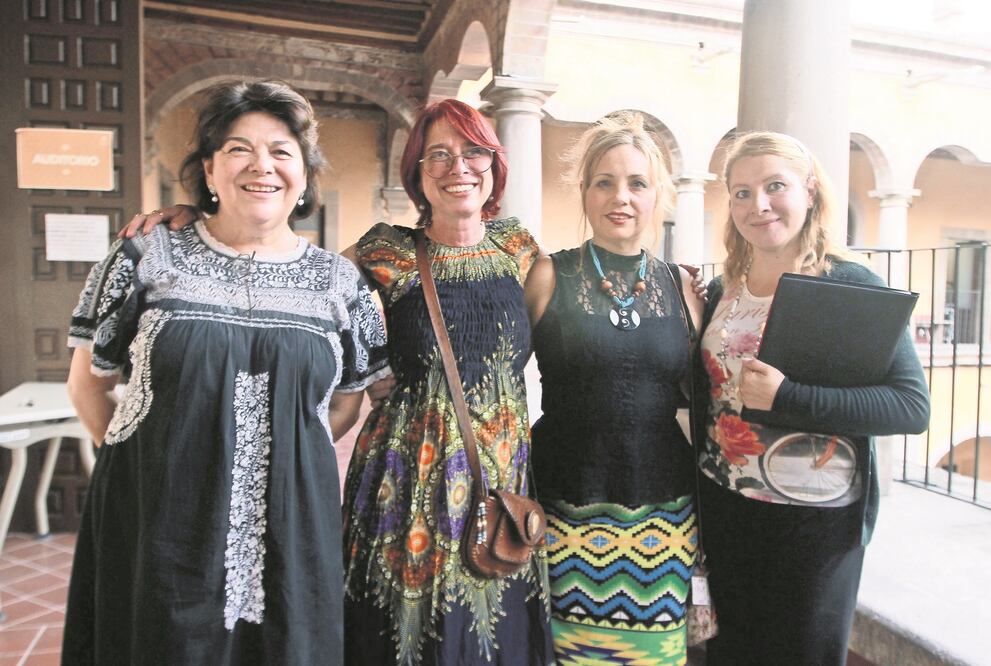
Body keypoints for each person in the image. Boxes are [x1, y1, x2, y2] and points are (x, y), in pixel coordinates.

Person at [63, 80, 390, 665]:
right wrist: (149, 462)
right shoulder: (144, 258)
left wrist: (281, 445)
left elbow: (347, 400)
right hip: (160, 518)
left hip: (292, 521)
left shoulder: (342, 285)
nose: (261, 165)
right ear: (210, 172)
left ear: (305, 178)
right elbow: (89, 382)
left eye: (282, 152)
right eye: (239, 149)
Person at [693, 131, 931, 665]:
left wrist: (788, 397)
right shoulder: (722, 289)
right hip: (726, 511)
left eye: (776, 186)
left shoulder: (851, 284)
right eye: (742, 192)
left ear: (810, 193)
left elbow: (911, 407)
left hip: (814, 530)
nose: (760, 205)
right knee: (731, 656)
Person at [336, 98, 552, 665]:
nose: (459, 167)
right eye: (439, 155)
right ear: (417, 174)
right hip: (406, 479)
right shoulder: (390, 250)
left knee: (495, 622)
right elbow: (305, 286)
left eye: (473, 151)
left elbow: (569, 314)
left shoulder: (518, 249)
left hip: (500, 477)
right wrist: (201, 216)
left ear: (493, 165)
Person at [523, 112, 704, 665]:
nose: (619, 196)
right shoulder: (550, 274)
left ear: (659, 197)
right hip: (564, 508)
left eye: (637, 183)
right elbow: (497, 376)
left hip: (666, 517)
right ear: (584, 193)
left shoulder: (684, 287)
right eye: (604, 181)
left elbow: (709, 396)